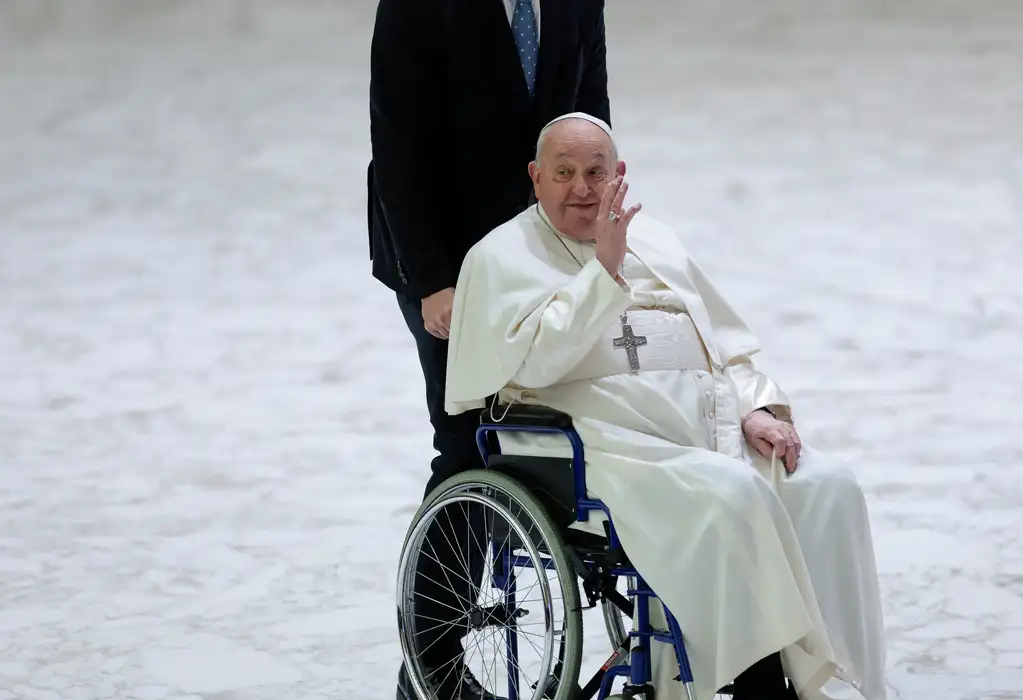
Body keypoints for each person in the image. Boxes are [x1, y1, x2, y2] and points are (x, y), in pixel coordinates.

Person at [444, 113, 888, 700]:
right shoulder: (498, 257)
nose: (581, 188)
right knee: (732, 497)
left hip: (711, 434)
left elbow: (724, 344)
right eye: (564, 173)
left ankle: (824, 673)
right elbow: (533, 366)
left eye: (595, 172)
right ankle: (760, 684)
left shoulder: (656, 239)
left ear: (619, 175)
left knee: (828, 485)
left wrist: (755, 409)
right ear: (535, 177)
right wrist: (602, 269)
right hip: (609, 451)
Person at [365, 1, 614, 698]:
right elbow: (400, 143)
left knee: (558, 417)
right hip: (443, 251)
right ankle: (432, 661)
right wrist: (433, 281)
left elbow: (590, 117)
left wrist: (600, 232)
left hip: (543, 245)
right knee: (470, 439)